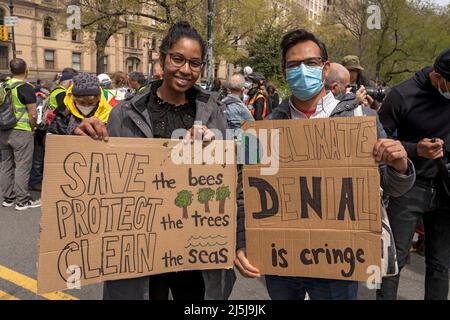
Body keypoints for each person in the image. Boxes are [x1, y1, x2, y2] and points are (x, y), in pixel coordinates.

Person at [234, 29, 416, 300]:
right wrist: (242, 240)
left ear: (325, 68)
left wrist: (400, 166)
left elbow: (389, 187)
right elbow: (245, 193)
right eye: (293, 65)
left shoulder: (359, 120)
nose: (302, 70)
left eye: (311, 63)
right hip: (281, 260)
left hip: (337, 262)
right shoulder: (264, 128)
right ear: (284, 72)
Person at [72, 21, 235, 301]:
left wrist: (217, 145)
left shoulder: (214, 113)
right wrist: (85, 141)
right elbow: (101, 178)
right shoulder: (125, 113)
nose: (186, 69)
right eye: (178, 59)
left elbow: (230, 177)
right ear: (161, 60)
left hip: (195, 248)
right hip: (141, 251)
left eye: (195, 63)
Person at [377, 47, 450, 300]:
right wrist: (414, 149)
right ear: (439, 77)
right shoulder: (402, 94)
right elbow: (376, 141)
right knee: (393, 261)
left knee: (441, 264)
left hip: (446, 189)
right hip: (409, 187)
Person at [0, 58, 41, 211]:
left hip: (3, 131)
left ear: (11, 71)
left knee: (5, 165)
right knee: (22, 167)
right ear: (26, 70)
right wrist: (33, 128)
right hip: (21, 131)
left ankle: (8, 198)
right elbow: (32, 114)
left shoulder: (3, 86)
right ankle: (22, 201)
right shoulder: (25, 87)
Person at [222, 73, 254, 139]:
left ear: (228, 88)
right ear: (242, 89)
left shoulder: (221, 103)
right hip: (237, 144)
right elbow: (253, 127)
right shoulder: (242, 108)